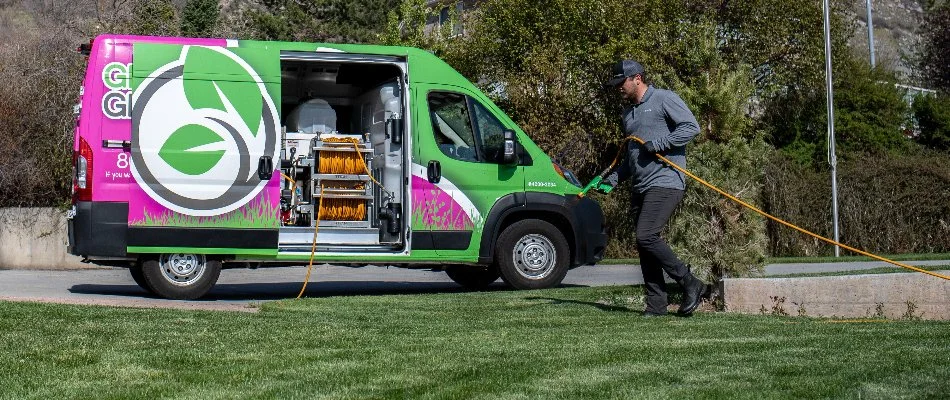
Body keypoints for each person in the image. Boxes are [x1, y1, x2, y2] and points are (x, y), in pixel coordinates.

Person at [602, 59, 706, 317]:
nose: (618, 89)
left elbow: (691, 128)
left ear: (637, 78)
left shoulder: (663, 99)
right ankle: (656, 305)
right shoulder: (628, 114)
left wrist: (661, 143)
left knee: (645, 235)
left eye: (621, 83)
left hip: (667, 180)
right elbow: (631, 158)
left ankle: (689, 282)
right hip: (641, 185)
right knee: (645, 246)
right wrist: (614, 179)